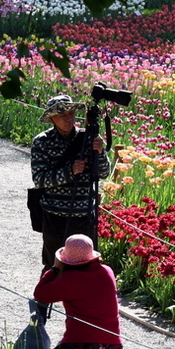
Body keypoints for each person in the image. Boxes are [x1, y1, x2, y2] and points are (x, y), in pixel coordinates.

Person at [33, 234, 123, 349]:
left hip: (81, 347)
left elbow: (41, 294)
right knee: (99, 345)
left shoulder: (70, 279)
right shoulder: (107, 271)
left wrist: (54, 269)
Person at [31, 95, 111, 271]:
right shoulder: (42, 142)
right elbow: (39, 180)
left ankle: (79, 298)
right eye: (62, 115)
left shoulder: (88, 139)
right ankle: (47, 295)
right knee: (54, 263)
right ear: (52, 118)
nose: (68, 119)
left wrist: (101, 152)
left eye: (71, 114)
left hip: (83, 213)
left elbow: (104, 173)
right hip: (55, 214)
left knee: (85, 264)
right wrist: (69, 172)